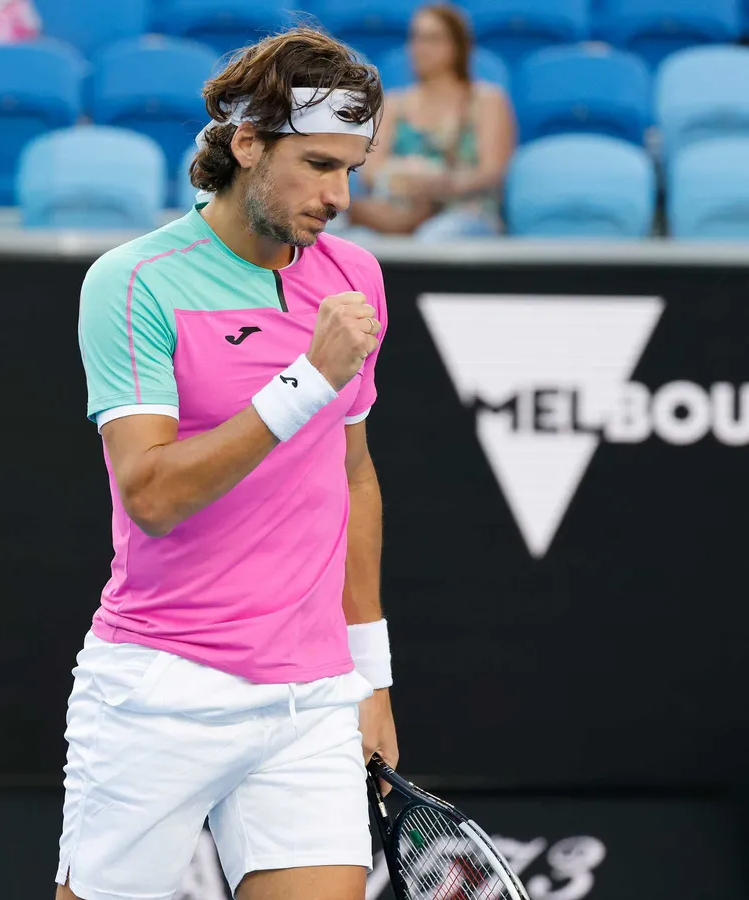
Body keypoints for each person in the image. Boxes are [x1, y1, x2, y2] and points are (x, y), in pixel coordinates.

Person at [56, 26, 399, 900]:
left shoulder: (355, 278)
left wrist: (372, 679)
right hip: (160, 690)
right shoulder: (134, 281)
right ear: (247, 145)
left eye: (351, 169)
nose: (340, 196)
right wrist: (306, 379)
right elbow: (151, 494)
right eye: (317, 165)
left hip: (312, 697)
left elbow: (352, 475)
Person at [349, 2, 516, 240]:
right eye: (416, 38)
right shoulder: (394, 103)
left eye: (433, 39)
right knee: (353, 239)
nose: (420, 48)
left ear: (458, 46)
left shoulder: (487, 100)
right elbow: (370, 169)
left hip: (465, 212)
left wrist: (440, 184)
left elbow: (492, 172)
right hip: (398, 211)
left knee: (436, 236)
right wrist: (401, 180)